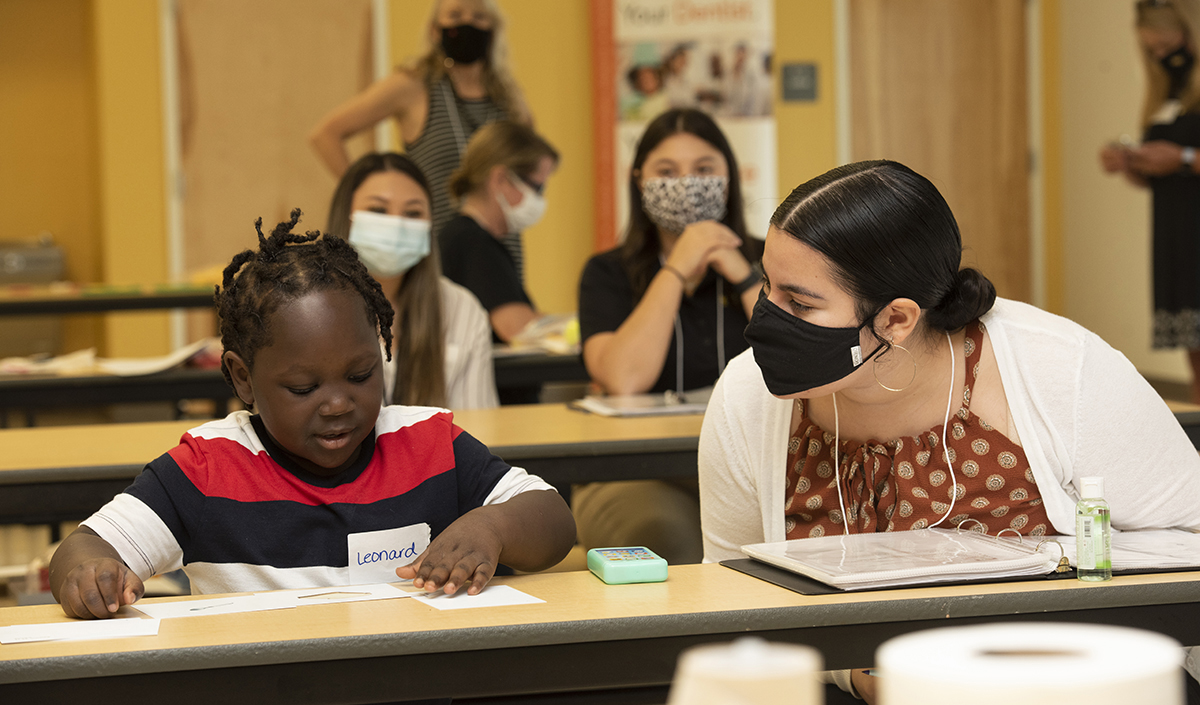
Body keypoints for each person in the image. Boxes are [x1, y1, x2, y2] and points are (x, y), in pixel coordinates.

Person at [698, 160, 1200, 703]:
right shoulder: (751, 393)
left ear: (895, 320)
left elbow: (1189, 539)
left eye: (799, 303)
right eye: (768, 285)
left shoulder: (1061, 369)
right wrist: (855, 675)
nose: (766, 317)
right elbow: (732, 590)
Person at [48, 210, 576, 619]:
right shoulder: (205, 471)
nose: (339, 403)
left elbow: (553, 520)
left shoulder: (428, 445)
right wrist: (91, 574)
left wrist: (493, 526)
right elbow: (84, 547)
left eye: (362, 374)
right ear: (242, 378)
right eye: (303, 387)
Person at [574, 108, 762, 564]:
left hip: (753, 463)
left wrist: (742, 276)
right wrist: (677, 268)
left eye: (703, 170)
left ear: (728, 178)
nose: (686, 183)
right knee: (664, 537)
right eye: (666, 171)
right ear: (639, 180)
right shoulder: (607, 272)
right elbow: (624, 379)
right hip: (637, 469)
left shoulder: (771, 258)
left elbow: (804, 350)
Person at [309, 0, 530, 267]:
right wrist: (366, 194)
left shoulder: (509, 100)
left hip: (501, 249)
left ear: (493, 29)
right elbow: (326, 135)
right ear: (436, 30)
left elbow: (531, 172)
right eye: (456, 15)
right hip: (436, 250)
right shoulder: (413, 86)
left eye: (479, 16)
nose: (467, 23)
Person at [328, 151, 497, 409]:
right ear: (345, 217)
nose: (396, 224)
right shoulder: (307, 308)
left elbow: (477, 428)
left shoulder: (461, 309)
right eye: (378, 210)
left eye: (413, 213)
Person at [1099, 0, 1200, 401]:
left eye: (1168, 45)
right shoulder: (1167, 92)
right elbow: (1163, 180)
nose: (1163, 57)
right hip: (1177, 237)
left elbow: (1183, 160)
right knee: (1193, 352)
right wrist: (1131, 164)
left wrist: (1185, 158)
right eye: (1153, 50)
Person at [440, 120, 557, 345]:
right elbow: (519, 329)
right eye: (537, 187)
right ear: (500, 179)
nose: (540, 200)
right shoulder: (473, 243)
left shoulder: (462, 237)